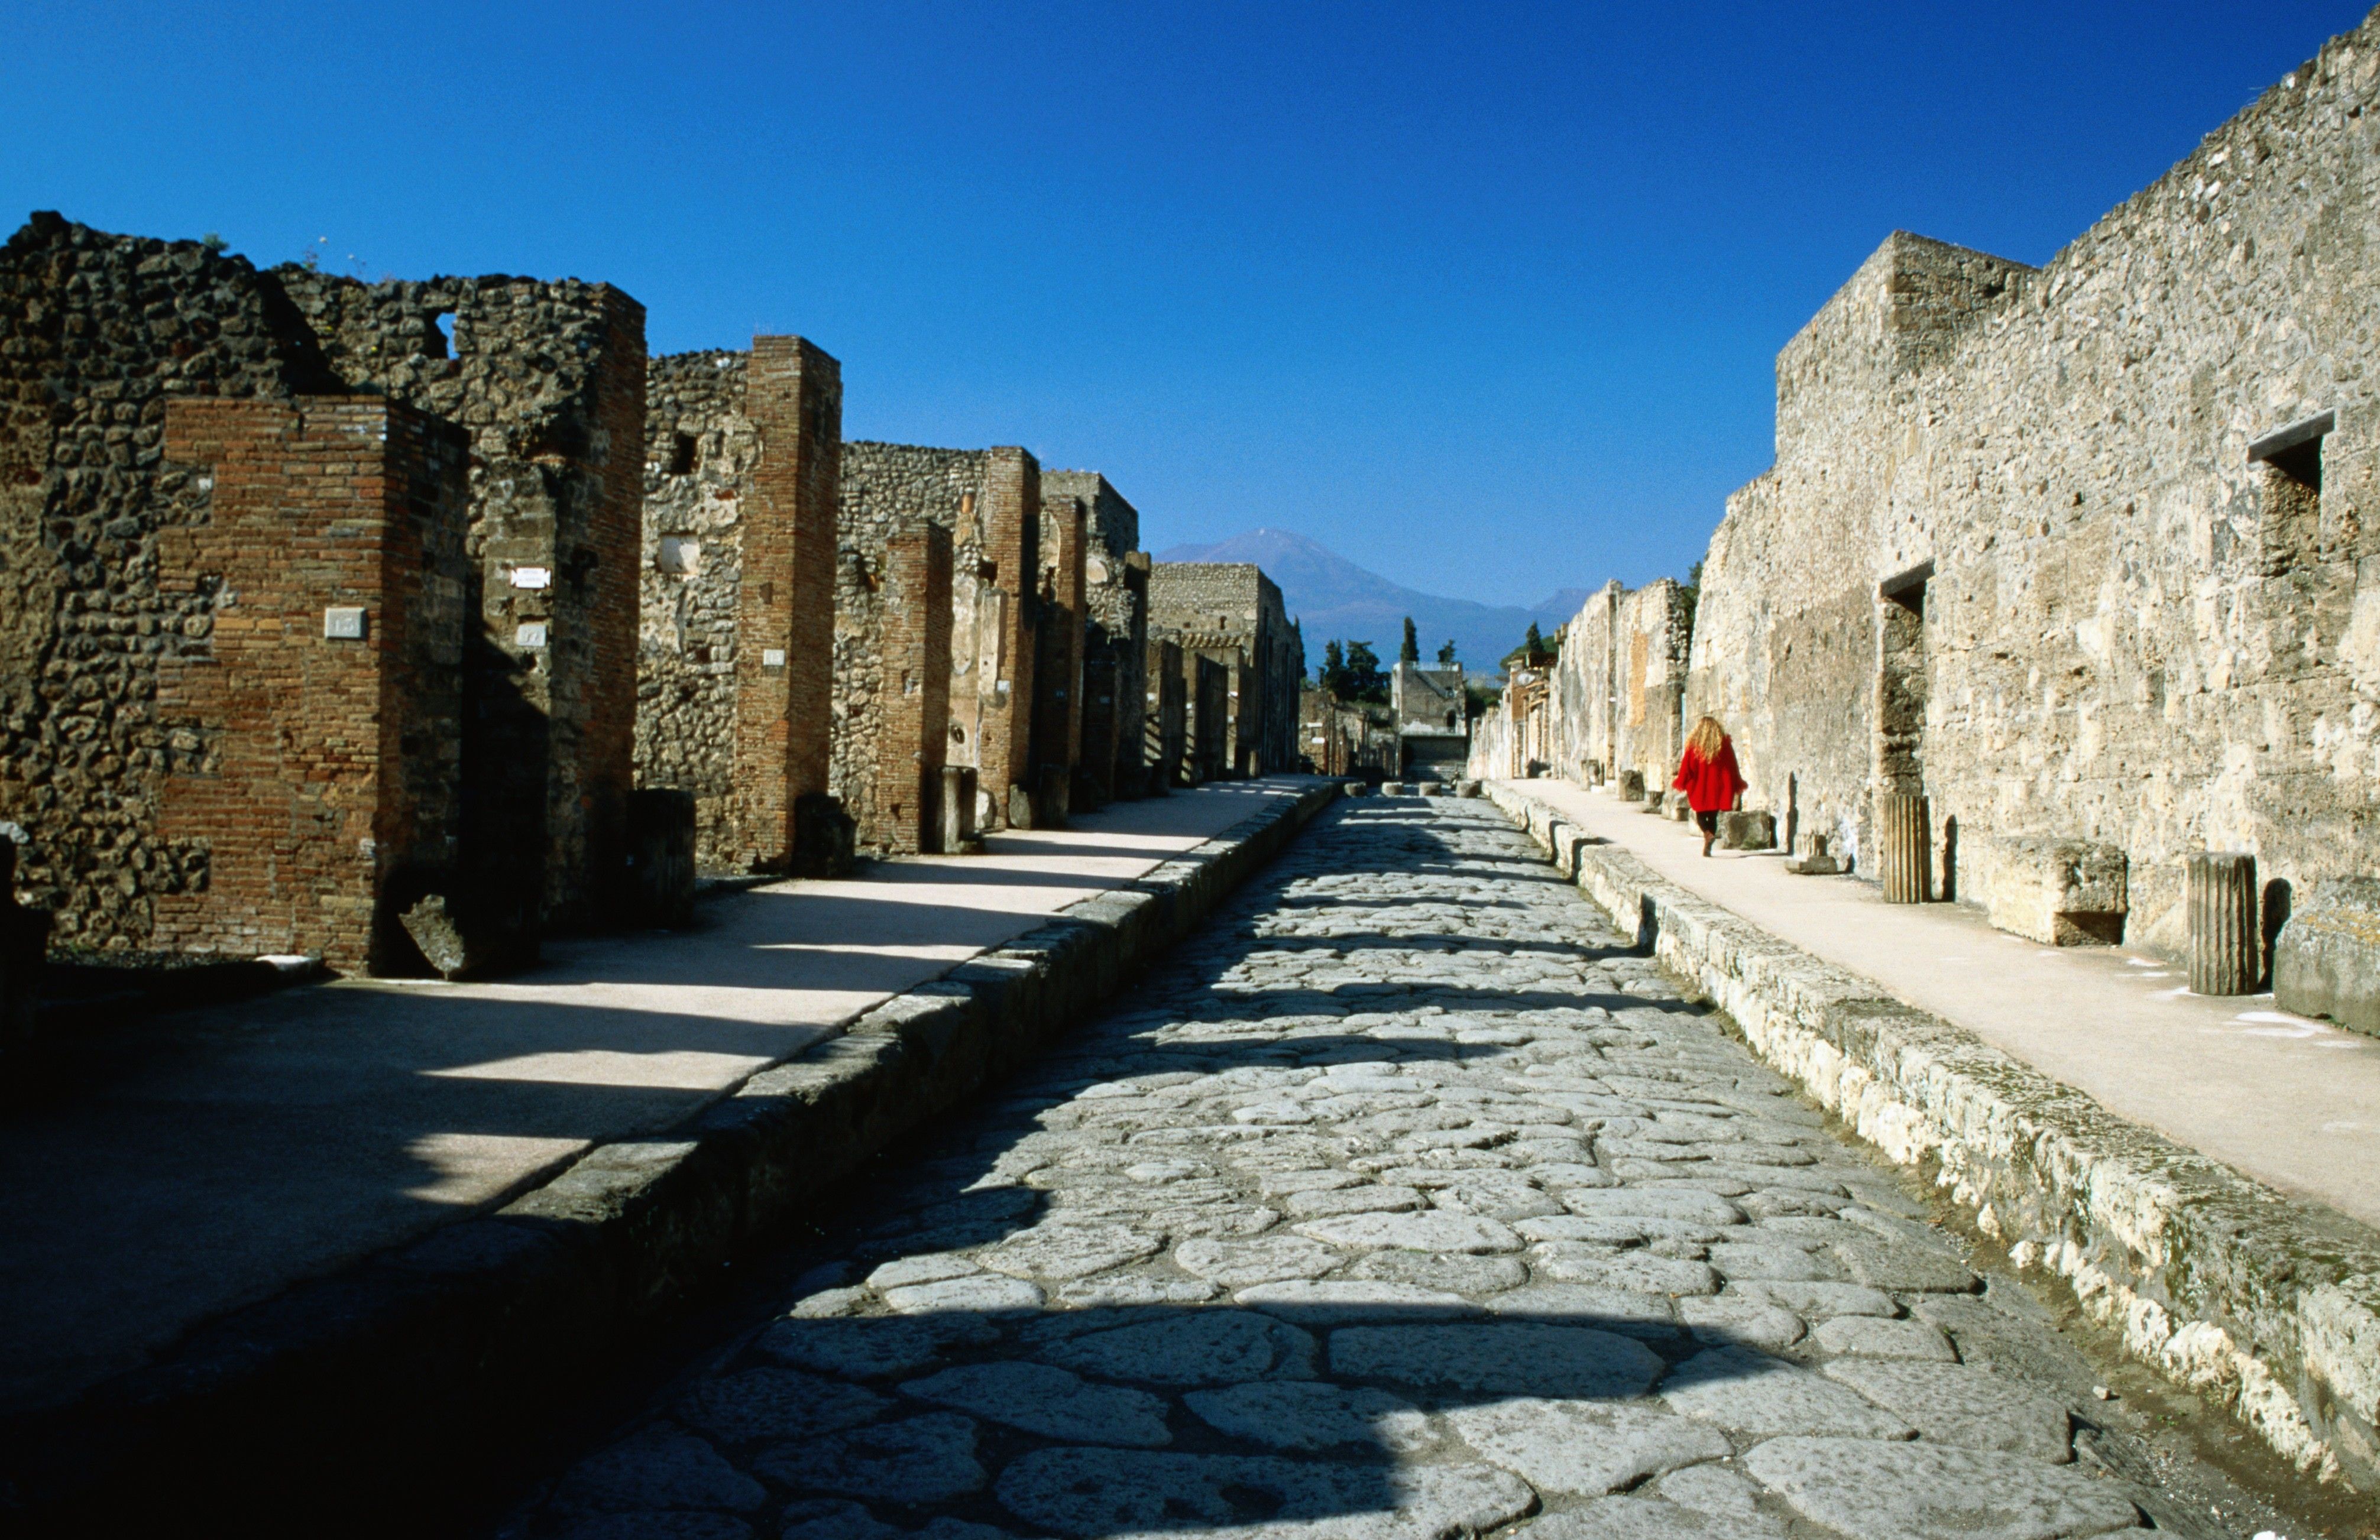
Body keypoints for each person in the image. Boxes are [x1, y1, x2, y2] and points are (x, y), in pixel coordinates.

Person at [1673, 715, 1746, 858]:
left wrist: (1683, 780)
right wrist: (1734, 782)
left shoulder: (1694, 746)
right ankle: (1709, 840)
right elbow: (1732, 766)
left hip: (1700, 788)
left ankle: (1707, 834)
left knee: (1700, 815)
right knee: (1713, 817)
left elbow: (1687, 767)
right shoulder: (1724, 745)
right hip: (1717, 788)